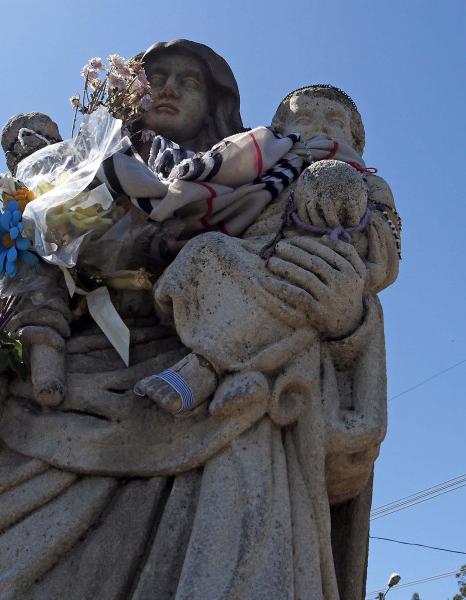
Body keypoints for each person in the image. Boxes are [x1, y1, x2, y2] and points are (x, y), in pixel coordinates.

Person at [0, 41, 393, 600]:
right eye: (155, 78)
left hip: (225, 407)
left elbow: (303, 285)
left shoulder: (256, 185)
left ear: (219, 104)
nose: (168, 89)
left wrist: (345, 321)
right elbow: (28, 268)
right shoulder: (82, 175)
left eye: (188, 81)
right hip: (64, 399)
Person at [135, 84, 401, 415]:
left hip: (321, 262)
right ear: (281, 129)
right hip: (255, 258)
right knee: (206, 250)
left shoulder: (369, 182)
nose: (320, 126)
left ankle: (206, 367)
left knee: (308, 288)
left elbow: (386, 249)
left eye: (334, 120)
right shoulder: (264, 169)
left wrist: (339, 194)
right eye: (304, 116)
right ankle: (245, 379)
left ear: (354, 137)